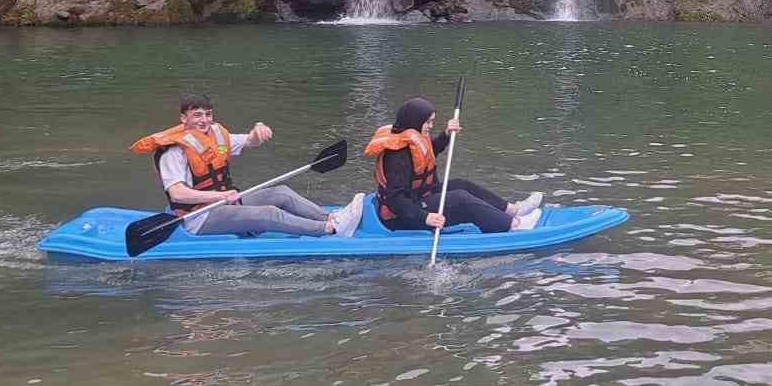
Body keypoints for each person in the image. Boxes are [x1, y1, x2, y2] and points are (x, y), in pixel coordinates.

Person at [131, 93, 364, 238]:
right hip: (198, 217)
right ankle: (329, 231)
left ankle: (330, 218)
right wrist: (217, 197)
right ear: (184, 119)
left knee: (280, 193)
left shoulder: (214, 135)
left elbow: (249, 140)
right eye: (197, 115)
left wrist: (258, 130)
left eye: (208, 115)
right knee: (268, 213)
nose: (204, 120)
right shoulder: (174, 151)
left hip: (223, 204)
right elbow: (177, 192)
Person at [364, 97, 544, 234]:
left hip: (417, 197)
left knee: (461, 184)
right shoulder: (397, 156)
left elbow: (427, 155)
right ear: (415, 121)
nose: (430, 126)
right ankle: (513, 226)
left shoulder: (410, 137)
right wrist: (426, 218)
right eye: (428, 122)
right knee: (459, 199)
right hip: (402, 217)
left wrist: (446, 134)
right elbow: (395, 201)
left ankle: (513, 211)